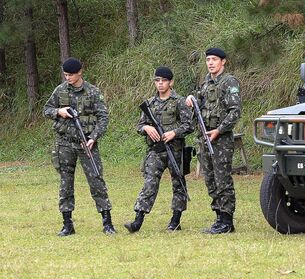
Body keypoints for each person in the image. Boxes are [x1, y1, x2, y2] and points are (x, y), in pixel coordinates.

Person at [43, 58, 116, 236]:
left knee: (97, 181)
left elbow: (103, 117)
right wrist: (58, 111)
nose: (68, 78)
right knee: (65, 184)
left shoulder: (92, 91)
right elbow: (46, 109)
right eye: (65, 75)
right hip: (65, 143)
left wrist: (94, 137)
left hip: (87, 144)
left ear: (80, 72)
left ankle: (107, 223)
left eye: (71, 75)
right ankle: (67, 224)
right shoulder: (60, 91)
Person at [125, 66, 193, 233]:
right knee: (149, 184)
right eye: (157, 81)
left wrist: (174, 133)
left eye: (164, 81)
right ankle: (137, 220)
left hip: (175, 149)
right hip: (156, 150)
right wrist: (147, 129)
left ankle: (175, 220)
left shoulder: (179, 102)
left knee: (178, 183)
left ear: (171, 82)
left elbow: (189, 125)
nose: (160, 84)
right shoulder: (149, 104)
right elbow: (139, 125)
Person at [186, 47, 241, 234]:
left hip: (221, 139)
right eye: (208, 59)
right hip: (205, 138)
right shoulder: (205, 83)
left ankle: (227, 220)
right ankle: (218, 217)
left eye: (214, 59)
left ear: (223, 62)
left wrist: (219, 130)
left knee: (222, 179)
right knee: (210, 179)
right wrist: (191, 101)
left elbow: (235, 111)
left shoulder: (229, 82)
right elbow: (199, 107)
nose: (210, 63)